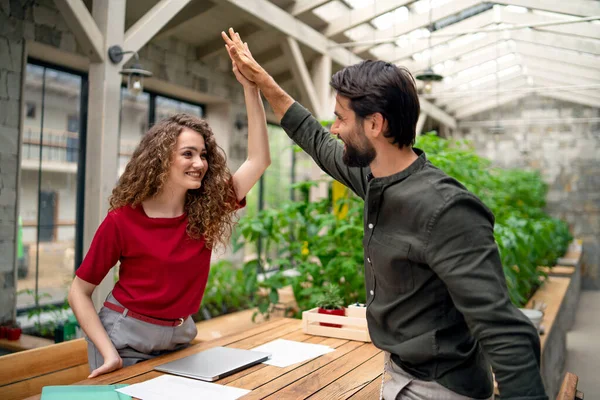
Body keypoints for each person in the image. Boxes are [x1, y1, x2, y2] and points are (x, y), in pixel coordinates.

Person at [222, 28, 547, 400]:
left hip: (439, 387)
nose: (335, 128)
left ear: (375, 124)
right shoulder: (375, 177)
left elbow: (504, 330)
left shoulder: (446, 210)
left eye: (341, 118)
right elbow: (314, 137)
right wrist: (262, 82)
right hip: (398, 372)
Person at [68, 51, 270, 378]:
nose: (200, 163)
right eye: (187, 154)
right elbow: (79, 290)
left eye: (203, 154)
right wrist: (108, 353)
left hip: (181, 336)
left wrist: (251, 88)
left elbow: (258, 160)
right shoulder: (123, 220)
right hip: (125, 338)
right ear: (161, 160)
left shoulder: (206, 209)